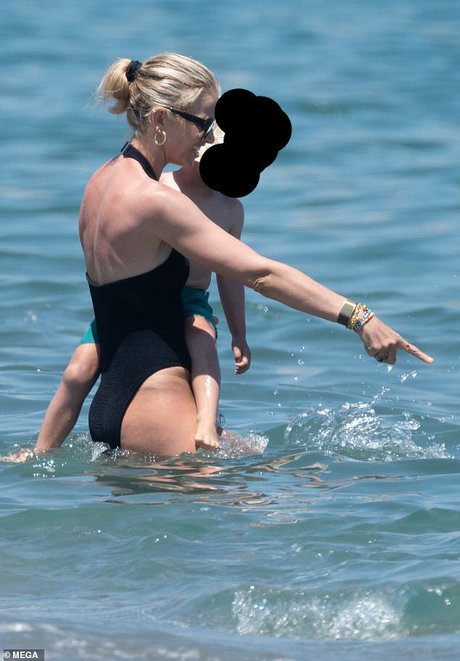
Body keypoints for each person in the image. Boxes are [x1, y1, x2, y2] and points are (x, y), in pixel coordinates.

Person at [33, 53, 433, 458]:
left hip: (111, 396)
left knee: (253, 464)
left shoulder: (100, 181)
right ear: (160, 119)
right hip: (154, 395)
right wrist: (359, 318)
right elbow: (261, 274)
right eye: (202, 123)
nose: (209, 136)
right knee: (270, 490)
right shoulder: (155, 201)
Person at [35, 151, 250, 452]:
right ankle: (41, 449)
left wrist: (239, 335)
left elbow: (231, 275)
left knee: (203, 341)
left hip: (189, 300)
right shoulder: (158, 186)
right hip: (134, 303)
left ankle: (206, 420)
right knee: (77, 370)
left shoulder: (230, 210)